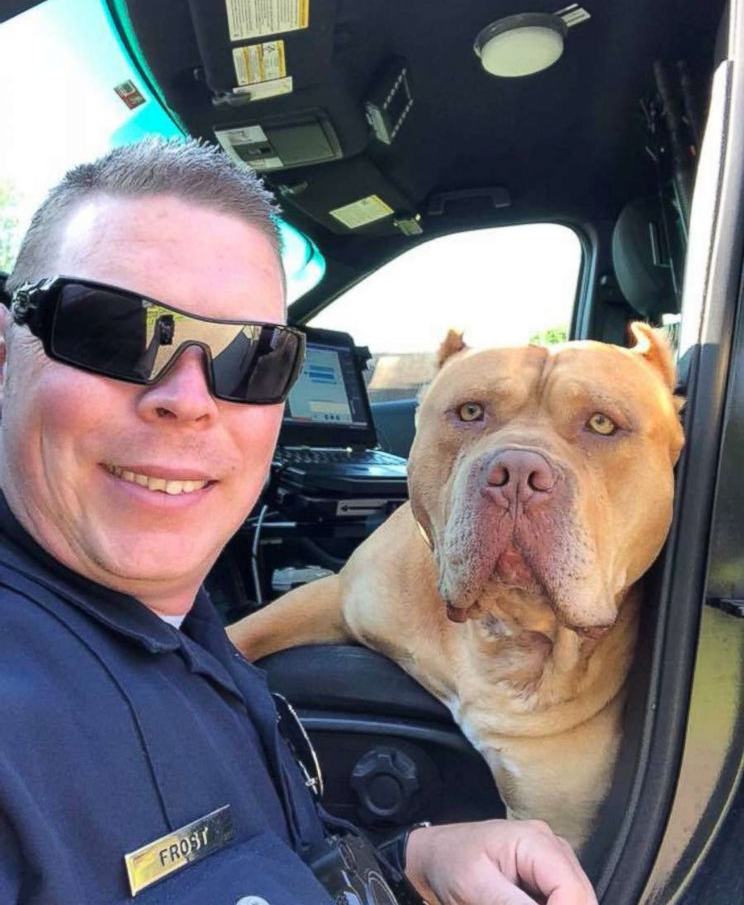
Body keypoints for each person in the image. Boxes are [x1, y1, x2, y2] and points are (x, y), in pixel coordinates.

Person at [0, 137, 597, 905]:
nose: (189, 398)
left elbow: (267, 840)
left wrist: (408, 859)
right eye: (115, 332)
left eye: (253, 359)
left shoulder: (182, 628)